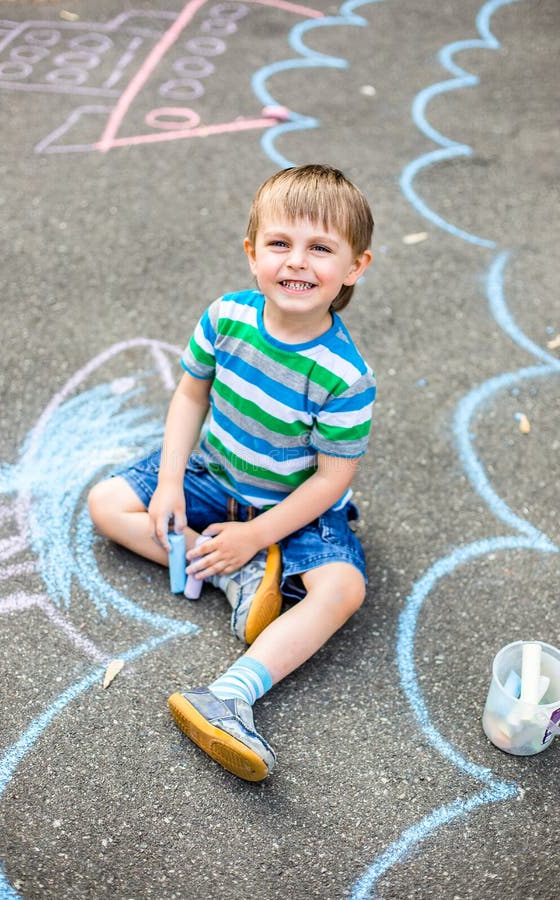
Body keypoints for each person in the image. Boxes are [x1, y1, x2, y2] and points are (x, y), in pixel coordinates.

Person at [88, 164, 376, 782]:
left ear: (355, 268)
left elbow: (329, 482)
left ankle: (232, 696)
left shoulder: (345, 377)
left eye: (320, 248)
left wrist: (258, 533)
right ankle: (234, 575)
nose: (296, 262)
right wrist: (169, 483)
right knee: (107, 504)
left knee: (343, 590)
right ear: (252, 254)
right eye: (280, 244)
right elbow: (190, 396)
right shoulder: (226, 317)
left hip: (293, 506)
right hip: (213, 475)